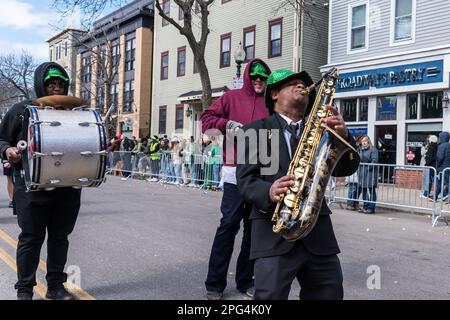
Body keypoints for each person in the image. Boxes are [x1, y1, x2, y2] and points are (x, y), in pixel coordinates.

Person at [236, 69, 360, 300]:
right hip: (274, 231)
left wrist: (344, 135)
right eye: (292, 83)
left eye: (304, 84)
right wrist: (269, 190)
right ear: (274, 94)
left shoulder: (323, 130)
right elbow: (246, 181)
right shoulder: (257, 131)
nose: (301, 86)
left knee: (330, 294)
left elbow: (346, 168)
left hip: (318, 234)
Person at [0, 62, 81, 300]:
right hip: (31, 188)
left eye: (60, 83)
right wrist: (7, 151)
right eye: (51, 83)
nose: (56, 87)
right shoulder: (21, 110)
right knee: (31, 239)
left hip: (66, 187)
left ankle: (55, 287)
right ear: (41, 85)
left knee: (59, 239)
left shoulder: (74, 114)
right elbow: (1, 139)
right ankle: (25, 290)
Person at [201, 58, 271, 299]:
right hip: (234, 174)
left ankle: (245, 280)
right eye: (255, 77)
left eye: (263, 77)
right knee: (228, 225)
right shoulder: (231, 98)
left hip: (262, 176)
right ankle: (214, 284)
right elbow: (206, 121)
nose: (259, 80)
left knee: (254, 231)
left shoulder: (271, 102)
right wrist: (225, 124)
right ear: (248, 78)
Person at [357, 136, 379, 214]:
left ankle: (371, 208)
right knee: (364, 191)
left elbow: (374, 161)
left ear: (368, 141)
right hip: (362, 174)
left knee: (372, 191)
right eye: (362, 141)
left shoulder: (373, 150)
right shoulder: (360, 150)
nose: (364, 142)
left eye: (365, 141)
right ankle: (365, 206)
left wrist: (366, 162)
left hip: (370, 174)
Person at [432, 131, 450, 201]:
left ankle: (436, 197)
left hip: (442, 168)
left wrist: (437, 167)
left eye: (440, 137)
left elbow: (440, 157)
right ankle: (435, 197)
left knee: (442, 183)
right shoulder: (448, 145)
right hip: (447, 167)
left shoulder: (441, 146)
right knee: (444, 183)